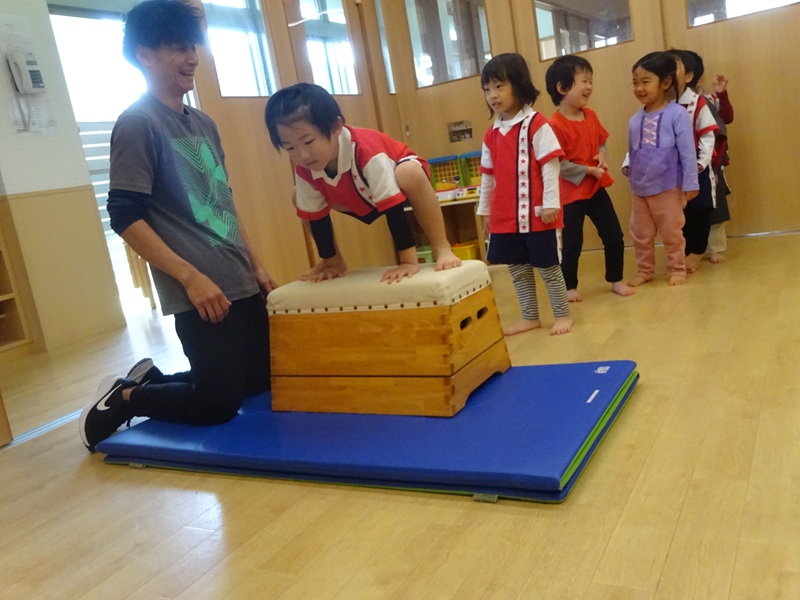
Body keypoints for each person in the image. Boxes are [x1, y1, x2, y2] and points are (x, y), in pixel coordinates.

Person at [79, 0, 276, 452]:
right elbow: (124, 215)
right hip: (200, 289)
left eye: (193, 47)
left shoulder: (203, 122)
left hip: (237, 277)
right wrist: (190, 277)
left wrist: (256, 265)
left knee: (258, 381)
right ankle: (124, 398)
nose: (191, 58)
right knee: (216, 404)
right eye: (177, 48)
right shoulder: (137, 123)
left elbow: (224, 203)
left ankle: (151, 379)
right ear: (144, 54)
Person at [264, 83, 461, 284]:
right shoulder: (305, 168)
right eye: (290, 148)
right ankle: (334, 262)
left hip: (398, 187)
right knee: (300, 197)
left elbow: (393, 209)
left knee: (409, 173)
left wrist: (408, 261)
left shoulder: (366, 151)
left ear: (335, 127)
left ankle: (442, 247)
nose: (303, 155)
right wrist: (331, 262)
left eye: (308, 142)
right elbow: (316, 219)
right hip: (359, 194)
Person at [477, 53, 572, 336]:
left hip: (538, 214)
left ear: (518, 85)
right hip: (506, 217)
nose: (493, 95)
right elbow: (487, 176)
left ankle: (562, 315)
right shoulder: (491, 133)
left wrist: (551, 203)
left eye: (499, 87)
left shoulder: (537, 124)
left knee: (548, 266)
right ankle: (530, 316)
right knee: (517, 268)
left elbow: (550, 166)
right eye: (487, 89)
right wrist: (485, 211)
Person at [544, 55, 634, 302]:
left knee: (613, 235)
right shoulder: (554, 125)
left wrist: (602, 155)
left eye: (590, 81)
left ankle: (616, 279)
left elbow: (601, 141)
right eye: (583, 81)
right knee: (572, 242)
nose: (589, 87)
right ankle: (569, 286)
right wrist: (588, 171)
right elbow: (558, 165)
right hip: (570, 194)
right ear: (562, 88)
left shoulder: (591, 115)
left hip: (595, 188)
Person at [622, 51, 699, 286]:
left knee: (672, 232)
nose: (639, 88)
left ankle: (677, 268)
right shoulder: (634, 120)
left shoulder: (677, 114)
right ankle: (645, 270)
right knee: (640, 233)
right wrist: (628, 167)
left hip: (668, 186)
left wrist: (690, 183)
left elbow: (687, 152)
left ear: (665, 83)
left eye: (646, 81)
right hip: (640, 188)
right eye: (635, 82)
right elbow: (632, 151)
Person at [669, 49, 719, 274]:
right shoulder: (661, 104)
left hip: (697, 168)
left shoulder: (698, 102)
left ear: (688, 76)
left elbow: (708, 135)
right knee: (679, 212)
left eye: (674, 68)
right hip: (672, 170)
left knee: (700, 208)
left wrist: (701, 162)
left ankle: (697, 251)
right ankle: (685, 249)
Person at [700, 73, 735, 264]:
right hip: (691, 161)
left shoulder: (709, 99)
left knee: (716, 204)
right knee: (692, 208)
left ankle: (715, 247)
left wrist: (721, 94)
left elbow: (726, 118)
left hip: (713, 161)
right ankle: (694, 248)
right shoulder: (674, 104)